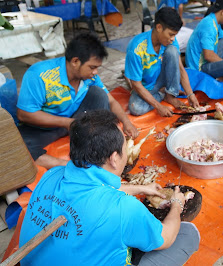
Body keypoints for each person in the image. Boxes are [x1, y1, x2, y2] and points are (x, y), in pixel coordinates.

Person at [19, 110, 200, 266]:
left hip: (31, 260)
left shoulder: (52, 174)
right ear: (114, 158)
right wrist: (177, 203)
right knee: (187, 234)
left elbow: (89, 199)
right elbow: (166, 238)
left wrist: (141, 188)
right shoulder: (123, 208)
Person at [16, 33, 138, 170]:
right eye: (92, 67)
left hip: (75, 121)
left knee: (98, 95)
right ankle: (68, 165)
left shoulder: (89, 77)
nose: (95, 72)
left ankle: (93, 141)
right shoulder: (40, 75)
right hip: (43, 127)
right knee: (17, 148)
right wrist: (67, 123)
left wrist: (126, 122)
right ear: (75, 62)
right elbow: (24, 114)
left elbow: (112, 102)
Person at [125, 7, 200, 117]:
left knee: (172, 51)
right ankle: (162, 94)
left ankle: (170, 95)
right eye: (171, 34)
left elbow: (180, 69)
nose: (173, 39)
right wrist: (158, 106)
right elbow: (136, 84)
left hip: (162, 80)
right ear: (159, 27)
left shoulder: (170, 42)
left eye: (175, 35)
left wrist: (190, 94)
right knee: (136, 108)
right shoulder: (136, 48)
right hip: (147, 86)